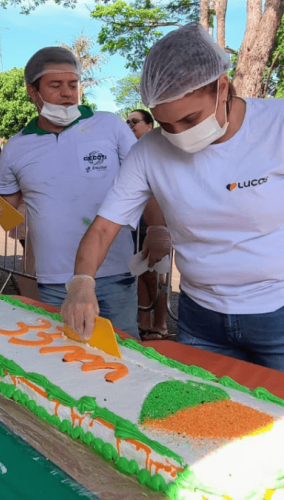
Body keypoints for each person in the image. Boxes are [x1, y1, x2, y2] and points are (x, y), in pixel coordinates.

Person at [61, 23, 284, 389]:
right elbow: (104, 226)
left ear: (222, 87)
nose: (179, 135)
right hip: (202, 318)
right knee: (210, 430)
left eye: (190, 119)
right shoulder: (149, 151)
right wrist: (81, 281)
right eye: (166, 124)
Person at [0, 46, 148, 339]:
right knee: (64, 359)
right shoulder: (17, 146)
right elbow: (9, 218)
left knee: (127, 356)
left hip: (114, 272)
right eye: (56, 86)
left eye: (73, 84)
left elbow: (143, 180)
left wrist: (156, 228)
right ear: (33, 92)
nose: (68, 93)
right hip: (55, 280)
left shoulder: (110, 126)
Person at [125, 109, 170, 340]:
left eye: (135, 122)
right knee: (140, 272)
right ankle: (143, 320)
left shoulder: (162, 148)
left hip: (160, 220)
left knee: (158, 274)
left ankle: (160, 324)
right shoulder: (131, 151)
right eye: (128, 122)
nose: (130, 125)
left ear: (149, 125)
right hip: (137, 220)